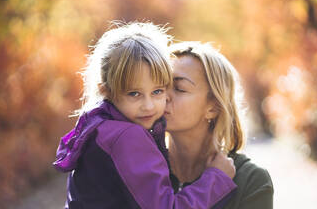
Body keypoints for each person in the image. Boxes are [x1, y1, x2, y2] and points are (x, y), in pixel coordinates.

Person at [53, 22, 237, 209]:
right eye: (134, 94)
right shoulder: (127, 137)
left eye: (158, 91)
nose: (149, 106)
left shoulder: (98, 127)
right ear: (106, 91)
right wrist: (216, 177)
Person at [165, 42, 274, 209]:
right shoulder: (139, 169)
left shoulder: (250, 180)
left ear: (213, 108)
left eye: (179, 88)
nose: (163, 96)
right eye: (160, 86)